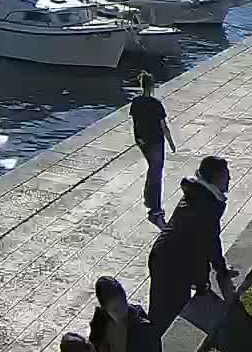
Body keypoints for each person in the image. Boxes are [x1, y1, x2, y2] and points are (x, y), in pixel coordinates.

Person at [148, 156, 237, 334]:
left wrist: (212, 274)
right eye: (226, 175)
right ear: (216, 177)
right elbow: (207, 244)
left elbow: (202, 242)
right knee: (167, 316)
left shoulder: (200, 196)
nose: (229, 179)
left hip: (165, 256)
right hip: (171, 263)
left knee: (161, 312)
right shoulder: (206, 204)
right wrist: (215, 274)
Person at [130, 73, 175, 225]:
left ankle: (150, 201)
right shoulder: (156, 104)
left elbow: (135, 123)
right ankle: (154, 206)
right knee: (156, 172)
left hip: (143, 141)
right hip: (156, 141)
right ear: (152, 86)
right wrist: (171, 143)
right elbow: (164, 127)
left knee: (152, 169)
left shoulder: (135, 102)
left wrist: (139, 139)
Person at [90, 275, 159, 352]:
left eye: (123, 305)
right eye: (115, 310)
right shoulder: (100, 325)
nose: (121, 313)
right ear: (105, 309)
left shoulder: (143, 329)